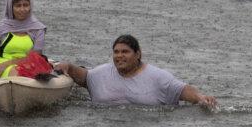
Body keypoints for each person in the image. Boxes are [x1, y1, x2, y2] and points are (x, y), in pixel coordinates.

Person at [55, 34, 217, 109]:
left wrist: (201, 98)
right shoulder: (100, 74)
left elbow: (182, 90)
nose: (119, 56)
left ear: (138, 54)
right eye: (116, 52)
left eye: (125, 52)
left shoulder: (158, 77)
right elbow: (81, 76)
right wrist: (66, 66)